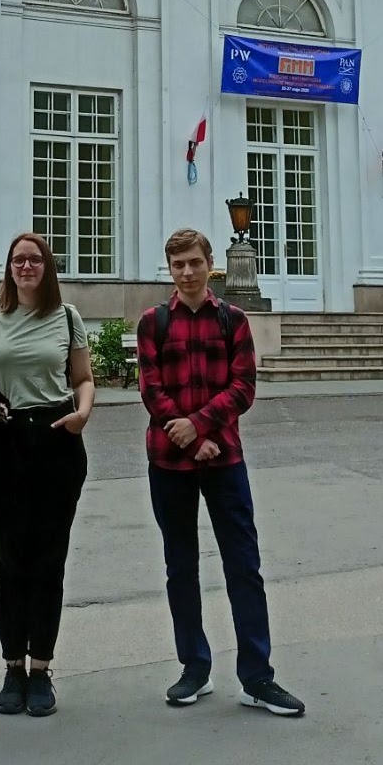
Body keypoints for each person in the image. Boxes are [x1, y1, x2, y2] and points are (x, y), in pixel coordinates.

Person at [136, 227, 304, 718]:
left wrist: (200, 425)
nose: (187, 272)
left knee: (243, 565)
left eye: (194, 262)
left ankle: (257, 676)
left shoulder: (233, 320)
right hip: (170, 460)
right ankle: (194, 668)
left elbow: (243, 386)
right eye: (178, 265)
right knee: (181, 566)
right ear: (170, 269)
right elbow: (151, 390)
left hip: (224, 457)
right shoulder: (154, 322)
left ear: (210, 264)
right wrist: (189, 435)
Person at [0, 231, 95, 717]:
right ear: (9, 266)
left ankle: (41, 670)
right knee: (8, 561)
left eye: (34, 259)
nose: (25, 267)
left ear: (47, 266)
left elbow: (83, 379)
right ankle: (13, 666)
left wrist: (83, 413)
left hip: (56, 438)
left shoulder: (67, 316)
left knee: (49, 561)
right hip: (4, 440)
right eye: (18, 259)